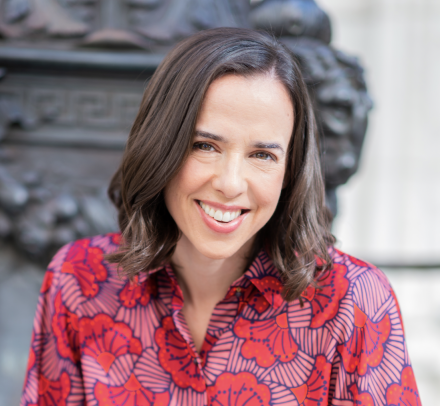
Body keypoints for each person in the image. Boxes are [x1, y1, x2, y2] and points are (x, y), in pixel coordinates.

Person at [20, 27, 420, 406]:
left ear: (290, 171)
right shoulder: (79, 280)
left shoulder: (353, 302)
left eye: (262, 155)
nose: (230, 184)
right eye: (204, 146)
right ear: (161, 147)